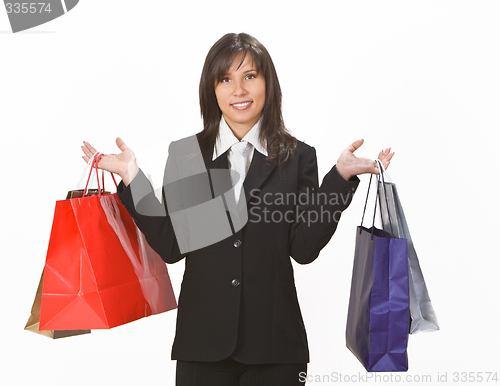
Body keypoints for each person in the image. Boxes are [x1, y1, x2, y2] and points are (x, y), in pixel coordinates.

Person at [82, 33, 393, 386]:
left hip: (276, 348)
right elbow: (171, 246)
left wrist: (339, 179)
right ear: (212, 90)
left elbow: (304, 249)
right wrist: (131, 177)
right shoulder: (187, 155)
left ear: (267, 83)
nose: (238, 90)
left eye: (250, 76)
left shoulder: (297, 156)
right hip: (202, 346)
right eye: (225, 79)